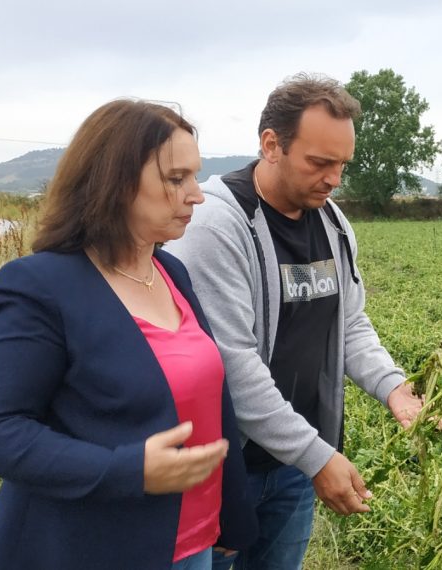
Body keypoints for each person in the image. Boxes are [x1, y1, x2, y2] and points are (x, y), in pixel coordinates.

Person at [0, 100, 257, 570]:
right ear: (115, 183)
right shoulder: (40, 287)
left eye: (195, 177)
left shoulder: (171, 272)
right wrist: (127, 470)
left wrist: (230, 516)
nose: (196, 196)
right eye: (176, 178)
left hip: (193, 543)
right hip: (95, 547)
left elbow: (212, 404)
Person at [165, 73, 422, 570]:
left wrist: (394, 388)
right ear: (271, 145)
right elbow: (232, 363)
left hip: (293, 466)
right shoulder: (219, 225)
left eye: (342, 164)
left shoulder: (332, 223)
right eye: (320, 162)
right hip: (224, 465)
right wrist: (317, 456)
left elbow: (349, 324)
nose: (334, 179)